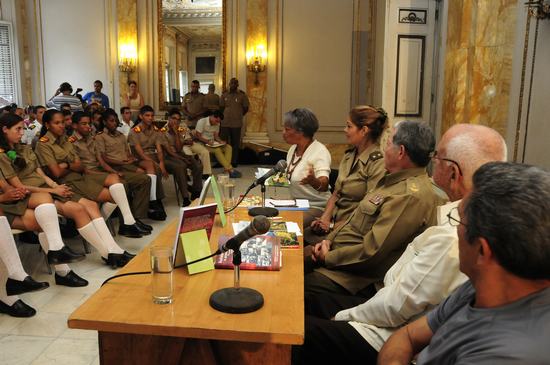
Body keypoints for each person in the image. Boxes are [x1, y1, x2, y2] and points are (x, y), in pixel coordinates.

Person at [295, 124, 507, 365]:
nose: (431, 160)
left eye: (437, 156)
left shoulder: (454, 235)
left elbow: (395, 307)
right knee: (303, 301)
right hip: (387, 309)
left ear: (452, 172)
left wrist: (341, 315)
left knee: (293, 330)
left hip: (382, 328)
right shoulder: (456, 218)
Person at [379, 162, 550, 364]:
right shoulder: (481, 287)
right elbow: (406, 336)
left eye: (458, 220)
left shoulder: (504, 355)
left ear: (481, 251)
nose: (454, 230)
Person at [305, 120, 444, 298]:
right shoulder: (390, 179)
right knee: (290, 264)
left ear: (400, 152)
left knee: (294, 287)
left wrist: (328, 257)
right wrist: (328, 241)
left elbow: (372, 252)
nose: (383, 150)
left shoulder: (408, 196)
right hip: (337, 256)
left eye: (387, 144)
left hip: (354, 277)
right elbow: (354, 220)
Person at [34, 109, 135, 268]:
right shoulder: (44, 144)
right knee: (91, 205)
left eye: (62, 122)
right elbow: (56, 172)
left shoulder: (66, 140)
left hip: (79, 178)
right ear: (47, 125)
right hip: (64, 184)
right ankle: (111, 252)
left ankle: (113, 250)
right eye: (57, 123)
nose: (61, 126)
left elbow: (79, 165)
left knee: (107, 197)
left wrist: (66, 164)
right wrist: (69, 165)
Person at [305, 106, 388, 245]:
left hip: (351, 233)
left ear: (364, 130)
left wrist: (332, 227)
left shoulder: (377, 163)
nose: (345, 130)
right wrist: (324, 219)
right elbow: (336, 193)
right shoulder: (349, 155)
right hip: (333, 225)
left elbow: (367, 211)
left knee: (303, 256)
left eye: (349, 126)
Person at [70, 111, 151, 236]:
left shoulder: (91, 137)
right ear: (75, 126)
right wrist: (109, 174)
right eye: (84, 124)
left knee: (137, 179)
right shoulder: (71, 142)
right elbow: (82, 169)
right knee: (122, 185)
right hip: (87, 175)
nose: (88, 126)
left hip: (100, 171)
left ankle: (133, 220)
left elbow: (101, 161)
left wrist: (114, 172)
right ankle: (126, 224)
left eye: (89, 123)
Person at [96, 108, 164, 221]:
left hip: (126, 164)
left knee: (147, 173)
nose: (114, 123)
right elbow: (104, 159)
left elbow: (127, 153)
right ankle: (139, 213)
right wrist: (122, 162)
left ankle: (145, 207)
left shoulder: (120, 135)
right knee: (144, 179)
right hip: (114, 166)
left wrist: (131, 158)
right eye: (111, 121)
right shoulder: (100, 137)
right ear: (104, 122)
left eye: (115, 120)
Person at [282, 108, 331, 229]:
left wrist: (314, 181)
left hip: (316, 207)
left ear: (300, 132)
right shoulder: (293, 149)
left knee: (286, 226)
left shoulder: (320, 152)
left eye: (287, 129)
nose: (283, 132)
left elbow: (324, 184)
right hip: (296, 204)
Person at [127, 105, 169, 219]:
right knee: (154, 167)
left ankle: (153, 199)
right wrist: (156, 164)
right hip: (138, 159)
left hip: (152, 156)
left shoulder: (155, 130)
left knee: (157, 168)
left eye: (152, 115)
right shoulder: (134, 131)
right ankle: (156, 200)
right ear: (141, 116)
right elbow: (140, 153)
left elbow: (159, 149)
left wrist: (161, 163)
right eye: (147, 115)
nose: (150, 118)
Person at [161, 108, 203, 205]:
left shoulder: (179, 129)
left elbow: (179, 149)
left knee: (198, 166)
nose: (176, 121)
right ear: (169, 118)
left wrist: (176, 134)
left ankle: (196, 191)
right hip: (168, 156)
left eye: (178, 119)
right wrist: (183, 159)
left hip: (179, 154)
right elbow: (169, 151)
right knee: (181, 166)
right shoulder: (162, 131)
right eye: (174, 118)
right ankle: (185, 197)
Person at [195, 110, 241, 178]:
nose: (217, 123)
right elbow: (198, 136)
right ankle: (230, 169)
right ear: (212, 116)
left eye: (218, 122)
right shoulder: (202, 121)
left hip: (212, 143)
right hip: (203, 143)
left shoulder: (217, 123)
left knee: (228, 147)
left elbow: (216, 136)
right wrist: (207, 141)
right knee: (217, 150)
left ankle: (226, 170)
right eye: (216, 121)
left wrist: (221, 141)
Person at [220, 78, 249, 166]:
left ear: (237, 85)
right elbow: (221, 107)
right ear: (229, 84)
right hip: (225, 122)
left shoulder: (242, 95)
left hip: (236, 123)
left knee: (235, 143)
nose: (233, 85)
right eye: (231, 83)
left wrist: (239, 114)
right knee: (223, 142)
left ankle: (234, 161)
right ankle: (222, 161)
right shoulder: (224, 94)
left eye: (235, 83)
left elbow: (246, 108)